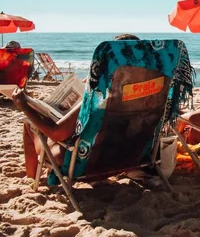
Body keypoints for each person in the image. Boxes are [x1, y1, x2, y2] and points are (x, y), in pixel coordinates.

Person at [13, 34, 141, 178]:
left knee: (30, 124)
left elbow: (57, 133)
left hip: (88, 163)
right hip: (128, 159)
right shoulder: (150, 94)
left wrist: (23, 105)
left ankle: (31, 179)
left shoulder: (102, 95)